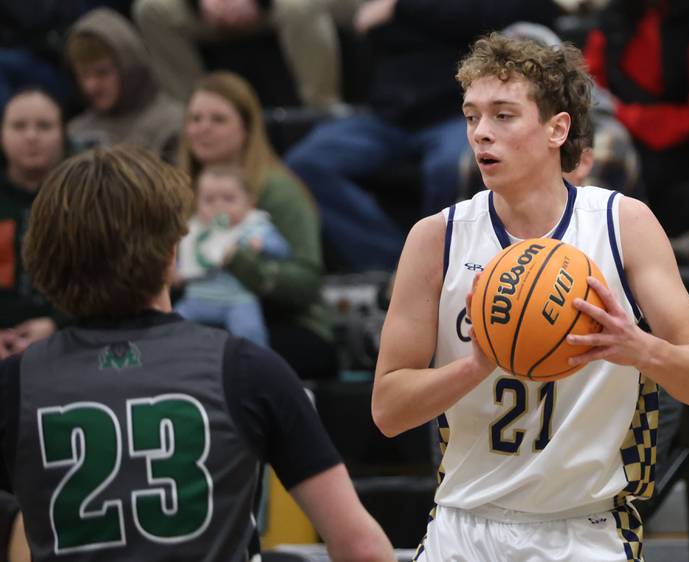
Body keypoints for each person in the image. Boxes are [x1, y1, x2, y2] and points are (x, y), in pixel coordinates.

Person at [371, 33, 689, 561]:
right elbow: (388, 411)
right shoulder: (436, 239)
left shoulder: (622, 224)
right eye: (472, 117)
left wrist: (636, 348)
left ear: (558, 129)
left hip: (583, 531)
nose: (481, 134)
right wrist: (478, 364)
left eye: (503, 115)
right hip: (463, 526)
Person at [0, 145, 396, 562]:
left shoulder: (15, 383)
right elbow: (361, 548)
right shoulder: (247, 369)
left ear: (42, 259)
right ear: (173, 252)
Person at [285, 0, 563, 272]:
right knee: (307, 164)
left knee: (453, 168)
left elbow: (505, 15)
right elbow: (370, 28)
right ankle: (403, 266)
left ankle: (446, 265)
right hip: (389, 115)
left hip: (459, 113)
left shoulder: (402, 7)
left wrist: (402, 9)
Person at [177, 71, 338, 380]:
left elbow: (305, 284)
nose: (202, 129)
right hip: (203, 314)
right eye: (195, 119)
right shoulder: (177, 191)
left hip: (285, 323)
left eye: (218, 119)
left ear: (247, 128)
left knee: (217, 357)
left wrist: (239, 261)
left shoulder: (279, 190)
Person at [582, 0, 689, 241]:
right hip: (619, 131)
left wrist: (634, 119)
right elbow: (591, 88)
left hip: (683, 141)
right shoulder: (611, 20)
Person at [132, 0, 341, 109]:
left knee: (301, 7)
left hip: (270, 8)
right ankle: (191, 112)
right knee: (150, 10)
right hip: (208, 12)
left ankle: (321, 109)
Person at [175, 164, 291, 347]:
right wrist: (177, 272)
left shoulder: (252, 227)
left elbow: (283, 250)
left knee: (250, 331)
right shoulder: (195, 230)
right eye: (209, 200)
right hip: (197, 298)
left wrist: (263, 245)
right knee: (172, 325)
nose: (218, 205)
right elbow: (182, 258)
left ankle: (258, 366)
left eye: (229, 199)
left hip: (237, 300)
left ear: (249, 203)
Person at [65, 7, 184, 162]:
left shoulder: (173, 124)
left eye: (102, 73)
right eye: (83, 75)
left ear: (130, 68)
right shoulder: (76, 132)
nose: (91, 86)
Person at [0, 88, 67, 359]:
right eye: (19, 126)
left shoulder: (86, 198)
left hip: (73, 341)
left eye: (44, 126)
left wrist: (57, 324)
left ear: (63, 132)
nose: (31, 136)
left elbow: (106, 277)